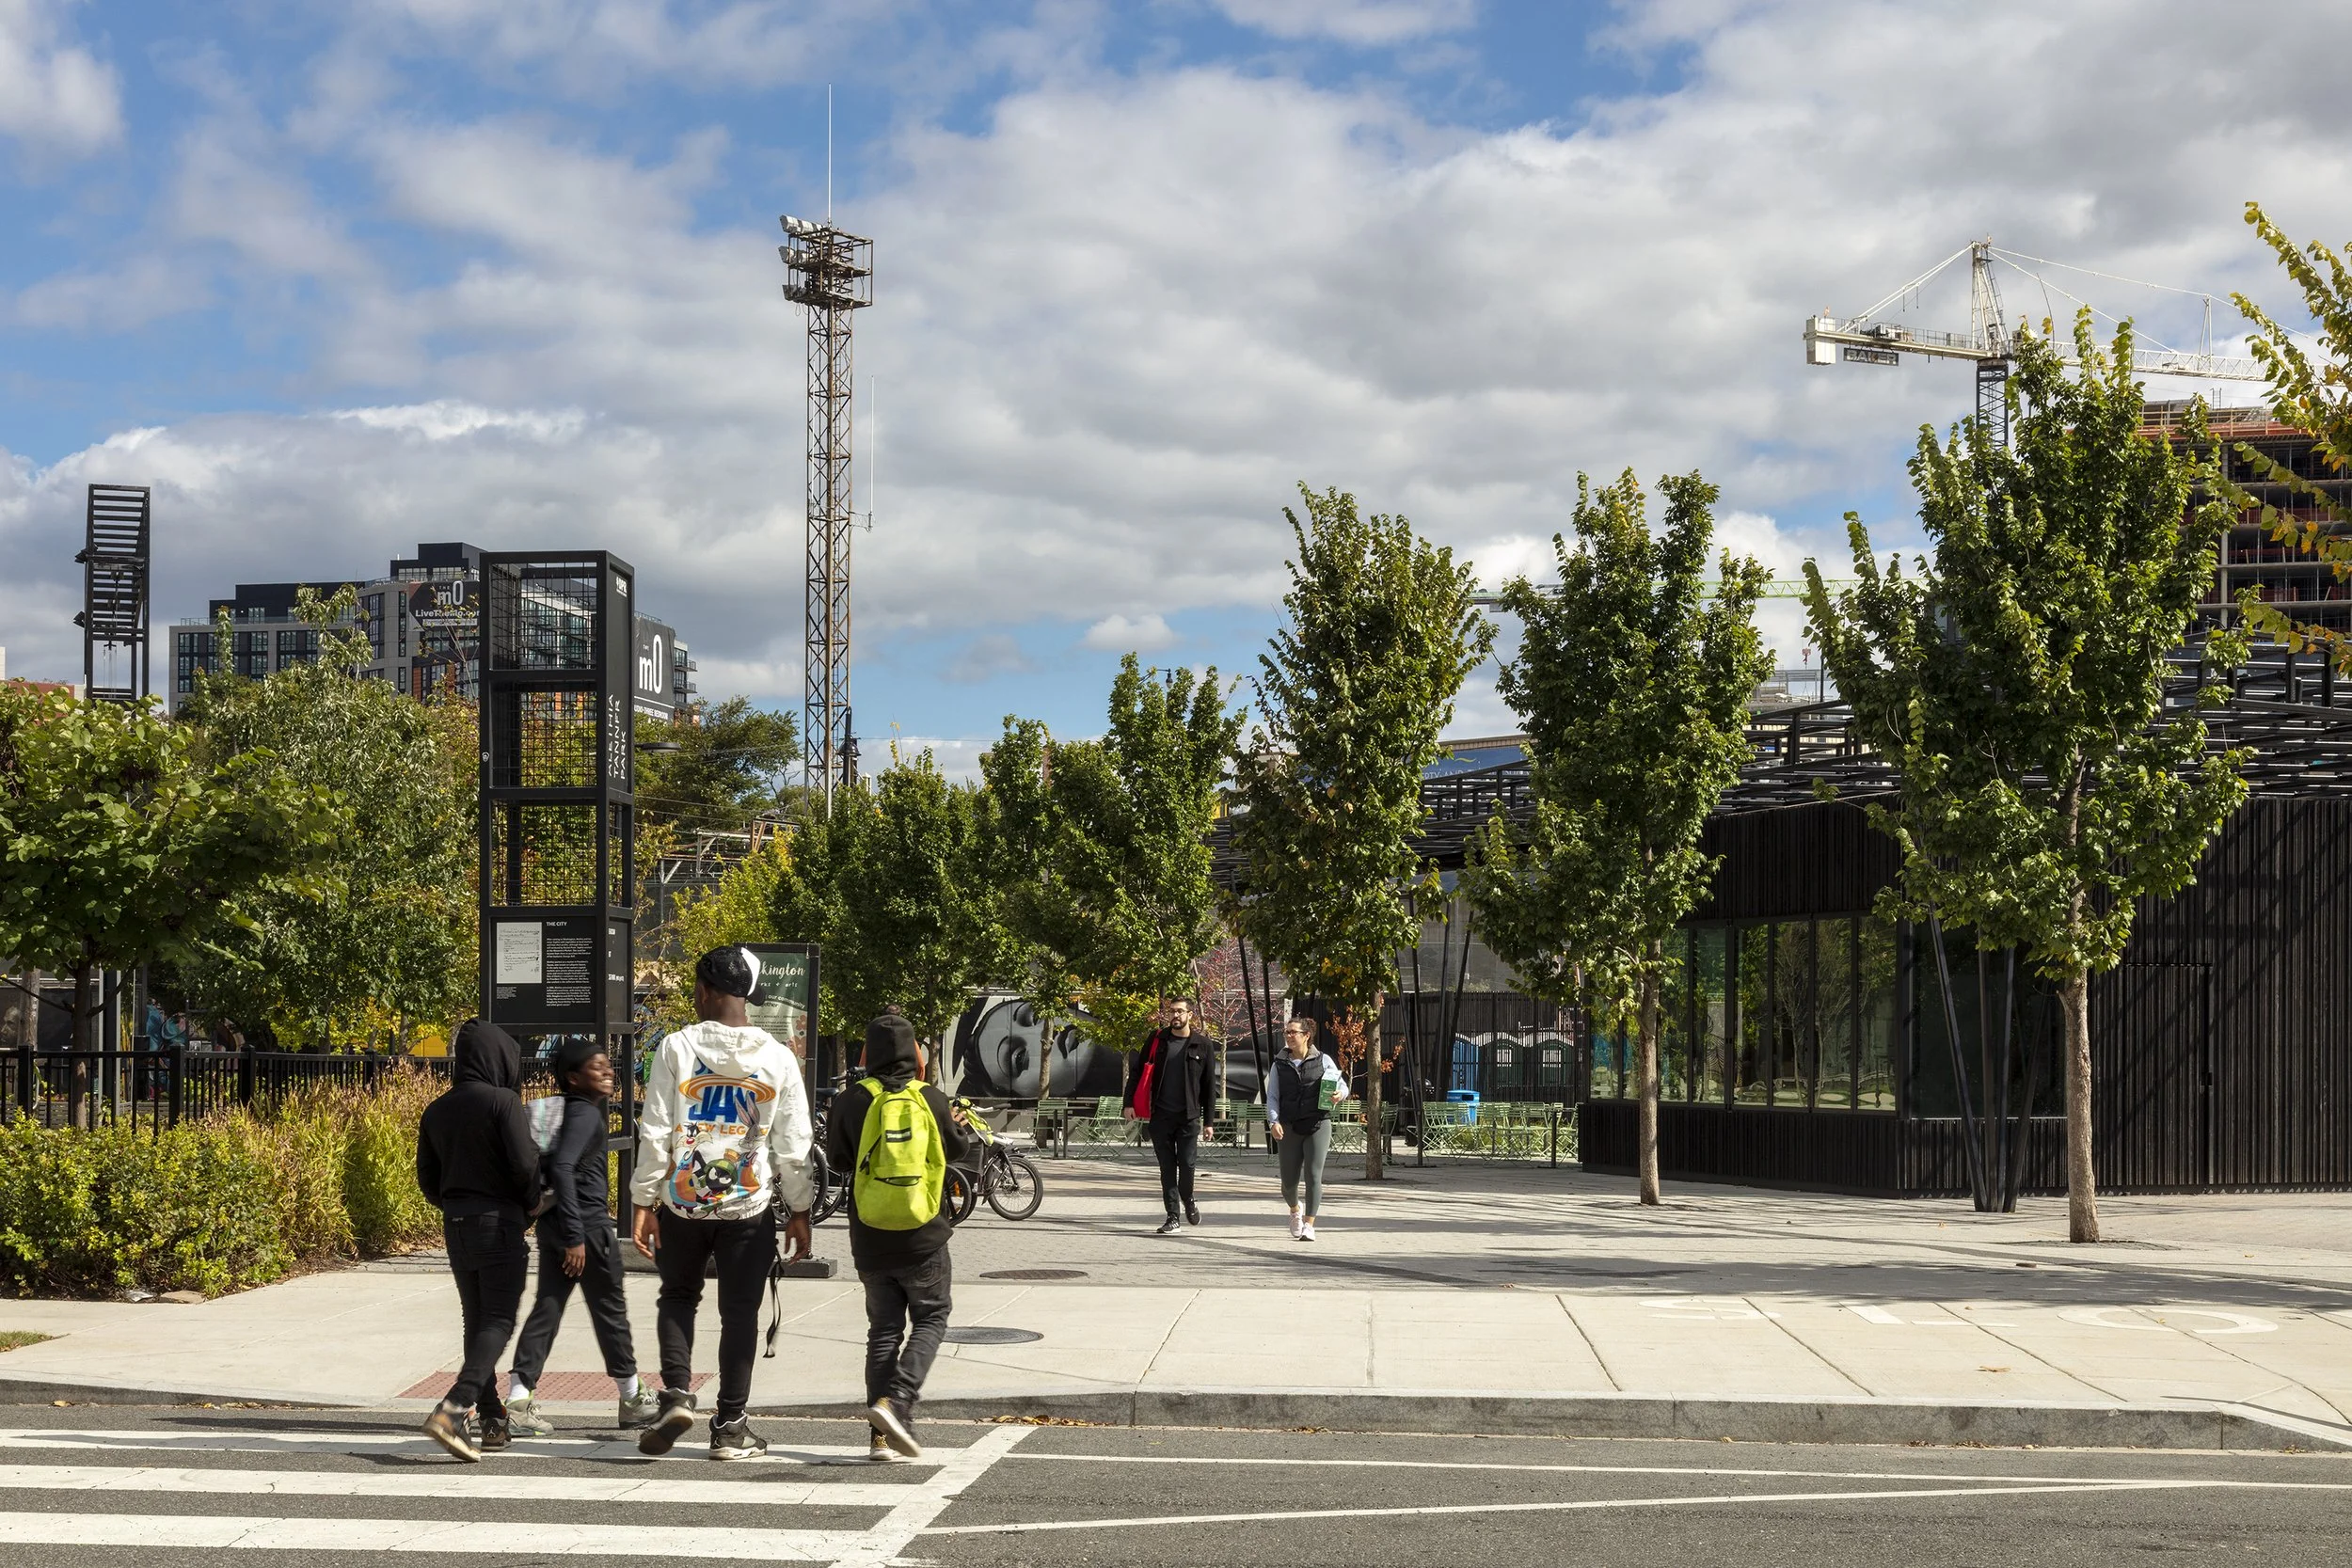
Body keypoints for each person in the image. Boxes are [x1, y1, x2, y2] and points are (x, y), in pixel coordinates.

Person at [629, 945, 815, 1462]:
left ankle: (675, 1395)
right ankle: (731, 1426)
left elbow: (657, 1131)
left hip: (682, 1202)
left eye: (695, 987)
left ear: (708, 991)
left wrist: (644, 1200)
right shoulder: (778, 1058)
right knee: (740, 1315)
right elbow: (793, 1144)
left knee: (678, 1296)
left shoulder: (675, 1048)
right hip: (748, 1208)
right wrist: (798, 1211)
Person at [825, 1015, 973, 1462]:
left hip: (870, 1233)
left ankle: (880, 1439)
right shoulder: (930, 1098)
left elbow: (838, 1161)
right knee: (932, 1316)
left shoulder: (850, 1100)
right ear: (917, 1056)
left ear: (865, 1055)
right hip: (923, 1232)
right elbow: (958, 1150)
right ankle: (899, 1400)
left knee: (883, 1331)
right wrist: (956, 1124)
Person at [504, 1039, 658, 1435]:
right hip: (586, 1230)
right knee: (611, 1313)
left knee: (547, 1310)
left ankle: (519, 1398)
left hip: (557, 1227)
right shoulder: (585, 1116)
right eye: (597, 1067)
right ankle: (633, 1398)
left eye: (608, 1065)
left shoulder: (567, 1113)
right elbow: (564, 1169)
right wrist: (576, 1237)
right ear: (573, 1078)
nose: (608, 1072)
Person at [415, 1018, 540, 1462]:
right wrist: (529, 1205)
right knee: (498, 1322)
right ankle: (454, 1407)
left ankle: (491, 1418)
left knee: (476, 1319)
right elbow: (525, 1166)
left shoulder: (437, 1109)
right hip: (501, 1222)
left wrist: (455, 1203)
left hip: (457, 1224)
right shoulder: (503, 1102)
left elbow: (426, 1178)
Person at [1122, 998, 1217, 1235]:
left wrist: (1209, 1122)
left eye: (1180, 1011)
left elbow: (1208, 1086)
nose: (1175, 1015)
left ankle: (1189, 1198)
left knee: (1187, 1165)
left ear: (1190, 1015)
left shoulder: (1202, 1045)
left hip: (1188, 1118)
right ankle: (1172, 1217)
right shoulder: (1157, 1040)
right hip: (1161, 1116)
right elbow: (1137, 1072)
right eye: (1172, 1011)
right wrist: (1128, 1103)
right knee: (1167, 1168)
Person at [1266, 1015, 1350, 1241]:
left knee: (1313, 1175)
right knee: (1288, 1183)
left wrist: (1339, 1094)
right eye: (1287, 1032)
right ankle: (1295, 1210)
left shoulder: (1323, 1060)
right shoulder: (1279, 1063)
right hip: (1289, 1126)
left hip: (1318, 1123)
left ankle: (1309, 1225)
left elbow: (1342, 1085)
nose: (1289, 1036)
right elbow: (1272, 1096)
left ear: (1307, 1036)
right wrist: (1273, 1121)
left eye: (1294, 1032)